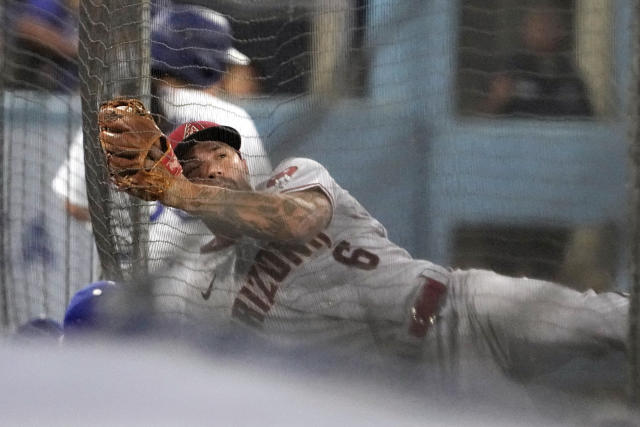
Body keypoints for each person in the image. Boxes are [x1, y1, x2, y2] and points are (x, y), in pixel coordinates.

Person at [99, 114, 628, 382]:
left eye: (222, 153)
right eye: (195, 164)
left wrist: (178, 189)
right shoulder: (196, 286)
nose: (215, 166)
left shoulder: (293, 176)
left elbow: (292, 223)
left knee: (613, 320)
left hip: (465, 305)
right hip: (416, 385)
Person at [51, 4, 272, 282]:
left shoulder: (115, 109)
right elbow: (259, 207)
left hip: (124, 293)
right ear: (206, 66)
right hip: (204, 293)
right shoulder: (228, 117)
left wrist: (135, 224)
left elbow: (73, 203)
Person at [484, 6, 592, 117]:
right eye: (538, 27)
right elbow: (483, 119)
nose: (544, 32)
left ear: (560, 31)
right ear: (525, 31)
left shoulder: (568, 72)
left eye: (549, 26)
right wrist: (497, 100)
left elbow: (587, 119)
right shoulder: (512, 68)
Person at [8, 0, 79, 91]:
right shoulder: (47, 3)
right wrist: (71, 47)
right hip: (39, 90)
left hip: (70, 92)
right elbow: (27, 26)